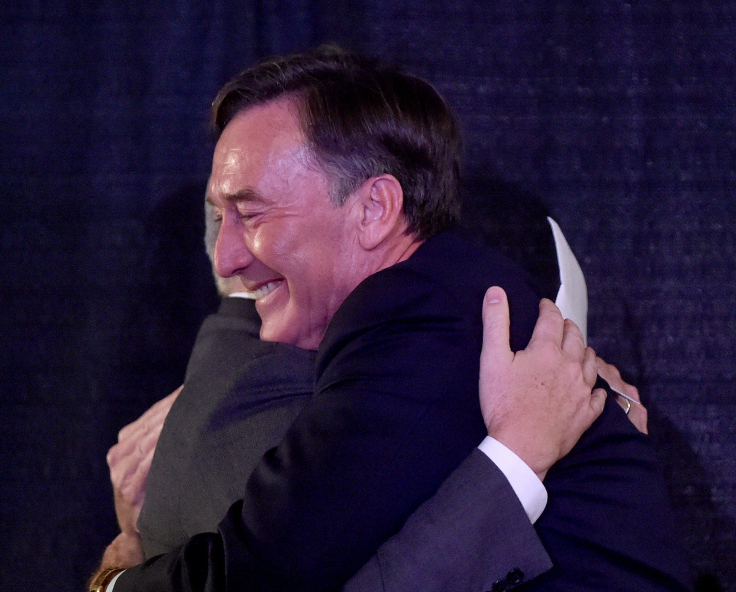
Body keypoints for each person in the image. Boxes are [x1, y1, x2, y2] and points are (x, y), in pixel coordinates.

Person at [95, 47, 688, 592]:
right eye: (219, 218)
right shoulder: (435, 304)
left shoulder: (416, 322)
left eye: (252, 215)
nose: (226, 257)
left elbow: (262, 572)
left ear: (375, 209)